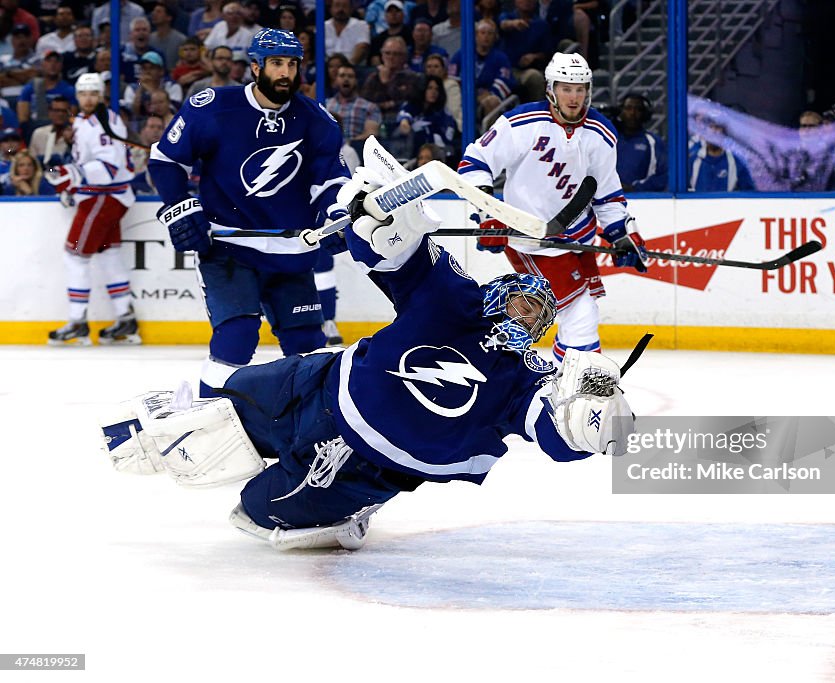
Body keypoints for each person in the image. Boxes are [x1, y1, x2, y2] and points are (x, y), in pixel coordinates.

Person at [101, 153, 635, 551]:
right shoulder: (457, 295)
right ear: (503, 292)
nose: (526, 315)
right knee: (211, 423)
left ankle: (348, 508)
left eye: (537, 316)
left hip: (370, 466)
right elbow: (393, 254)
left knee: (257, 515)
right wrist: (373, 219)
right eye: (522, 302)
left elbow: (555, 435)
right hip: (320, 385)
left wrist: (596, 420)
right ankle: (156, 424)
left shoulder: (527, 376)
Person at [148, 29, 352, 396]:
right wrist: (179, 207)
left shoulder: (317, 121)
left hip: (292, 255)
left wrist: (336, 215)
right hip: (228, 250)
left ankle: (308, 433)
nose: (285, 73)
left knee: (308, 349)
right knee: (236, 338)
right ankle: (206, 421)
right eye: (276, 64)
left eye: (292, 64)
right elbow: (166, 160)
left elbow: (331, 181)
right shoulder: (213, 107)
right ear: (255, 66)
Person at [459, 52, 646, 363]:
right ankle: (573, 386)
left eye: (580, 89)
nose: (573, 97)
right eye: (565, 88)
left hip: (576, 241)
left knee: (577, 313)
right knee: (579, 315)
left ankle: (559, 384)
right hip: (529, 239)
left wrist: (624, 235)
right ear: (550, 89)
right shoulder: (522, 123)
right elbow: (474, 162)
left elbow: (608, 196)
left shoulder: (601, 134)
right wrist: (487, 214)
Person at [44, 72, 141, 346]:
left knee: (74, 255)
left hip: (104, 197)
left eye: (93, 93)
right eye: (83, 94)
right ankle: (125, 318)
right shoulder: (87, 120)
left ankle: (77, 322)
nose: (88, 98)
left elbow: (108, 169)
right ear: (78, 96)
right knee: (109, 254)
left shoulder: (102, 122)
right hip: (107, 196)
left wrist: (70, 175)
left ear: (100, 95)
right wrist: (73, 185)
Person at [614, 92, 666, 192]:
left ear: (645, 114)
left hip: (640, 201)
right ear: (621, 111)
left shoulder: (653, 142)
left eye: (638, 109)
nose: (632, 113)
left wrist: (635, 188)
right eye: (628, 108)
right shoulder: (608, 138)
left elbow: (663, 176)